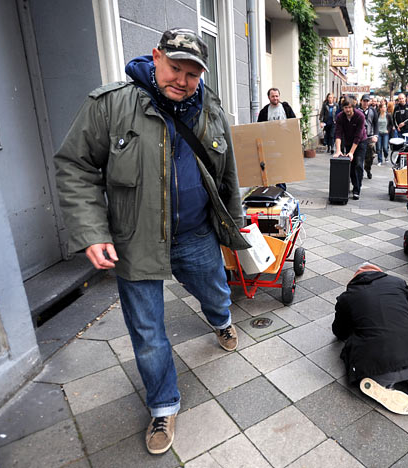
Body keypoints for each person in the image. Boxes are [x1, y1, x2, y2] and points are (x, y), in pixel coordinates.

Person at [54, 28, 249, 455]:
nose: (182, 80)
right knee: (146, 331)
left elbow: (227, 172)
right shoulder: (110, 104)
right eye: (175, 68)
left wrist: (233, 225)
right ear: (156, 56)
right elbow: (75, 166)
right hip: (135, 239)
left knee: (216, 291)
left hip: (196, 233)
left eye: (192, 74)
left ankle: (221, 320)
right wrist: (92, 232)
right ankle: (163, 404)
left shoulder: (211, 108)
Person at [332, 264, 408, 418]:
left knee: (352, 345)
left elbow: (339, 332)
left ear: (354, 280)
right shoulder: (397, 283)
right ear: (380, 273)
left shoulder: (347, 297)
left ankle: (384, 386)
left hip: (378, 371)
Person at [258, 88, 296, 190]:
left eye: (277, 96)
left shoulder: (286, 108)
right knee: (271, 166)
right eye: (273, 96)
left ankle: (281, 188)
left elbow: (293, 123)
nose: (275, 98)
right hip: (270, 143)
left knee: (281, 165)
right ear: (269, 97)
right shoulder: (264, 111)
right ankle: (272, 187)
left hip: (283, 142)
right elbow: (259, 127)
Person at [334, 96, 368, 200]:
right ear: (343, 108)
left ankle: (357, 189)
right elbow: (338, 134)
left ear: (353, 107)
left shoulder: (360, 116)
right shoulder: (340, 117)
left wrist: (351, 152)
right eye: (345, 108)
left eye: (349, 107)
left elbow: (358, 136)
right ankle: (354, 184)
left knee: (358, 164)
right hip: (348, 141)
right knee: (351, 166)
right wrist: (338, 150)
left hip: (361, 142)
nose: (347, 110)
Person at [358, 94, 378, 179]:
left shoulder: (372, 111)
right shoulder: (357, 110)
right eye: (364, 101)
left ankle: (368, 169)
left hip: (370, 136)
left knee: (370, 156)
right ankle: (360, 172)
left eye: (367, 101)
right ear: (361, 101)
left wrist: (376, 135)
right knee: (359, 156)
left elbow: (376, 124)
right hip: (359, 137)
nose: (365, 103)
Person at [376, 101, 393, 166]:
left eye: (385, 107)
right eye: (383, 107)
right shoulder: (377, 115)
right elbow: (375, 123)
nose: (384, 108)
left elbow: (391, 124)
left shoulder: (388, 115)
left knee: (385, 147)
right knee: (379, 147)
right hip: (379, 133)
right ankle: (380, 160)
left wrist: (388, 130)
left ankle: (386, 156)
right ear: (380, 108)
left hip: (385, 133)